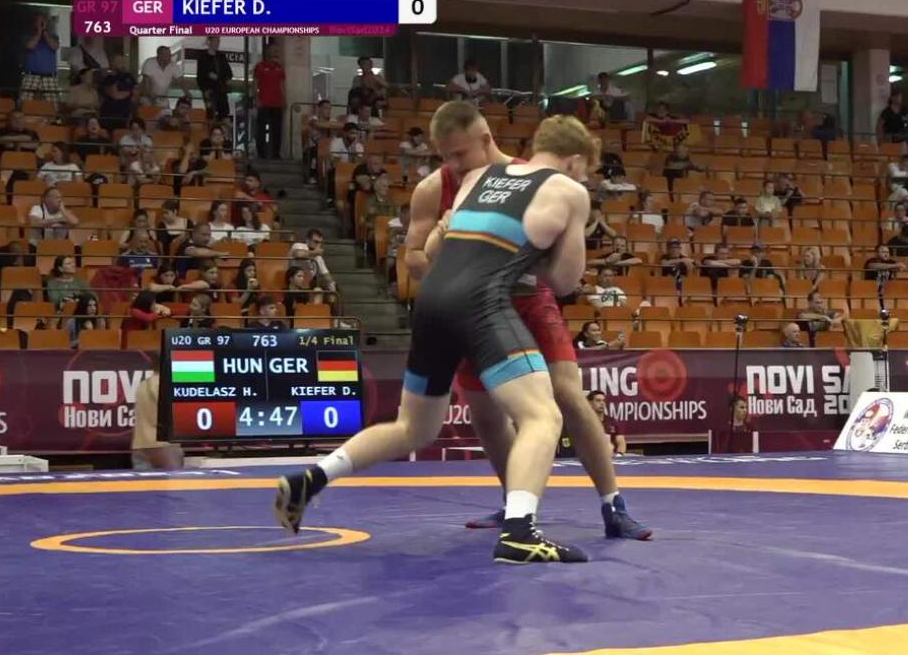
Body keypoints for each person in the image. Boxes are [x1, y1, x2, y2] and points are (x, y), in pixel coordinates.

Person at [278, 115, 606, 564]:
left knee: (413, 428)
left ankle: (314, 477)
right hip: (481, 301)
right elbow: (565, 281)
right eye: (584, 171)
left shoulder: (477, 179)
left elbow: (431, 250)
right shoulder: (569, 191)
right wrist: (544, 247)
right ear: (574, 161)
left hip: (431, 301)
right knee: (542, 415)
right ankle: (520, 532)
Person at [399, 105, 651, 539]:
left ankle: (614, 504)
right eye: (446, 156)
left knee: (568, 396)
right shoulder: (434, 188)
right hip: (469, 306)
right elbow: (414, 263)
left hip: (528, 298)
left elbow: (562, 272)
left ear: (485, 140)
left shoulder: (532, 177)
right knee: (486, 415)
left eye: (460, 155)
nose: (454, 165)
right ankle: (515, 502)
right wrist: (445, 236)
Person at [131, 367, 184, 470]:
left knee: (142, 480)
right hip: (163, 445)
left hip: (140, 446)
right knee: (172, 480)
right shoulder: (167, 384)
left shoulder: (142, 385)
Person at [253, 42, 286, 159]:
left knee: (277, 129)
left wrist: (284, 99)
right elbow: (255, 83)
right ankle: (261, 153)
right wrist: (256, 99)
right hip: (264, 103)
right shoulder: (260, 66)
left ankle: (275, 153)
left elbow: (282, 85)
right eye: (273, 50)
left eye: (277, 50)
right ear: (268, 51)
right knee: (261, 129)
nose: (275, 52)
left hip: (277, 103)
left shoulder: (280, 68)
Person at [196, 36, 233, 122]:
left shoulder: (221, 56)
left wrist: (226, 79)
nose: (217, 43)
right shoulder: (203, 57)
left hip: (221, 90)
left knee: (224, 113)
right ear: (209, 42)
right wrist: (205, 88)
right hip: (209, 90)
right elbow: (200, 75)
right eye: (215, 41)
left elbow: (228, 72)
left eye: (218, 41)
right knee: (211, 113)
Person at [586, 391, 626, 456]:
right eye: (598, 400)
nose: (602, 403)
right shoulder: (584, 422)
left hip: (611, 457)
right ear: (590, 403)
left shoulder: (612, 421)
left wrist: (619, 455)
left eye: (603, 400)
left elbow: (621, 441)